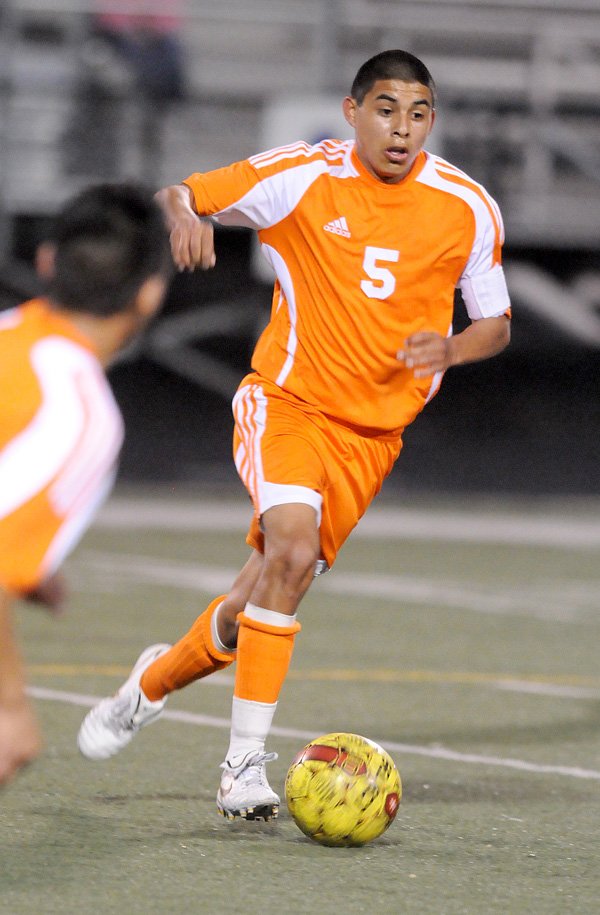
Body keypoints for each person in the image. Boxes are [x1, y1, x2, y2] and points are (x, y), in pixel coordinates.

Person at [77, 50, 511, 821]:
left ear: (431, 121)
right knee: (290, 546)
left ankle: (145, 687)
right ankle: (242, 768)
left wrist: (452, 347)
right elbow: (181, 192)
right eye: (385, 109)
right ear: (353, 113)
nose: (401, 129)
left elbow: (497, 322)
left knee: (251, 608)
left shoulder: (467, 205)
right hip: (288, 402)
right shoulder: (301, 175)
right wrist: (181, 213)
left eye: (417, 113)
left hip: (374, 438)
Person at [0, 183, 171, 786]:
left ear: (46, 261)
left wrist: (26, 563)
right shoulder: (79, 413)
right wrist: (10, 707)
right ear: (150, 292)